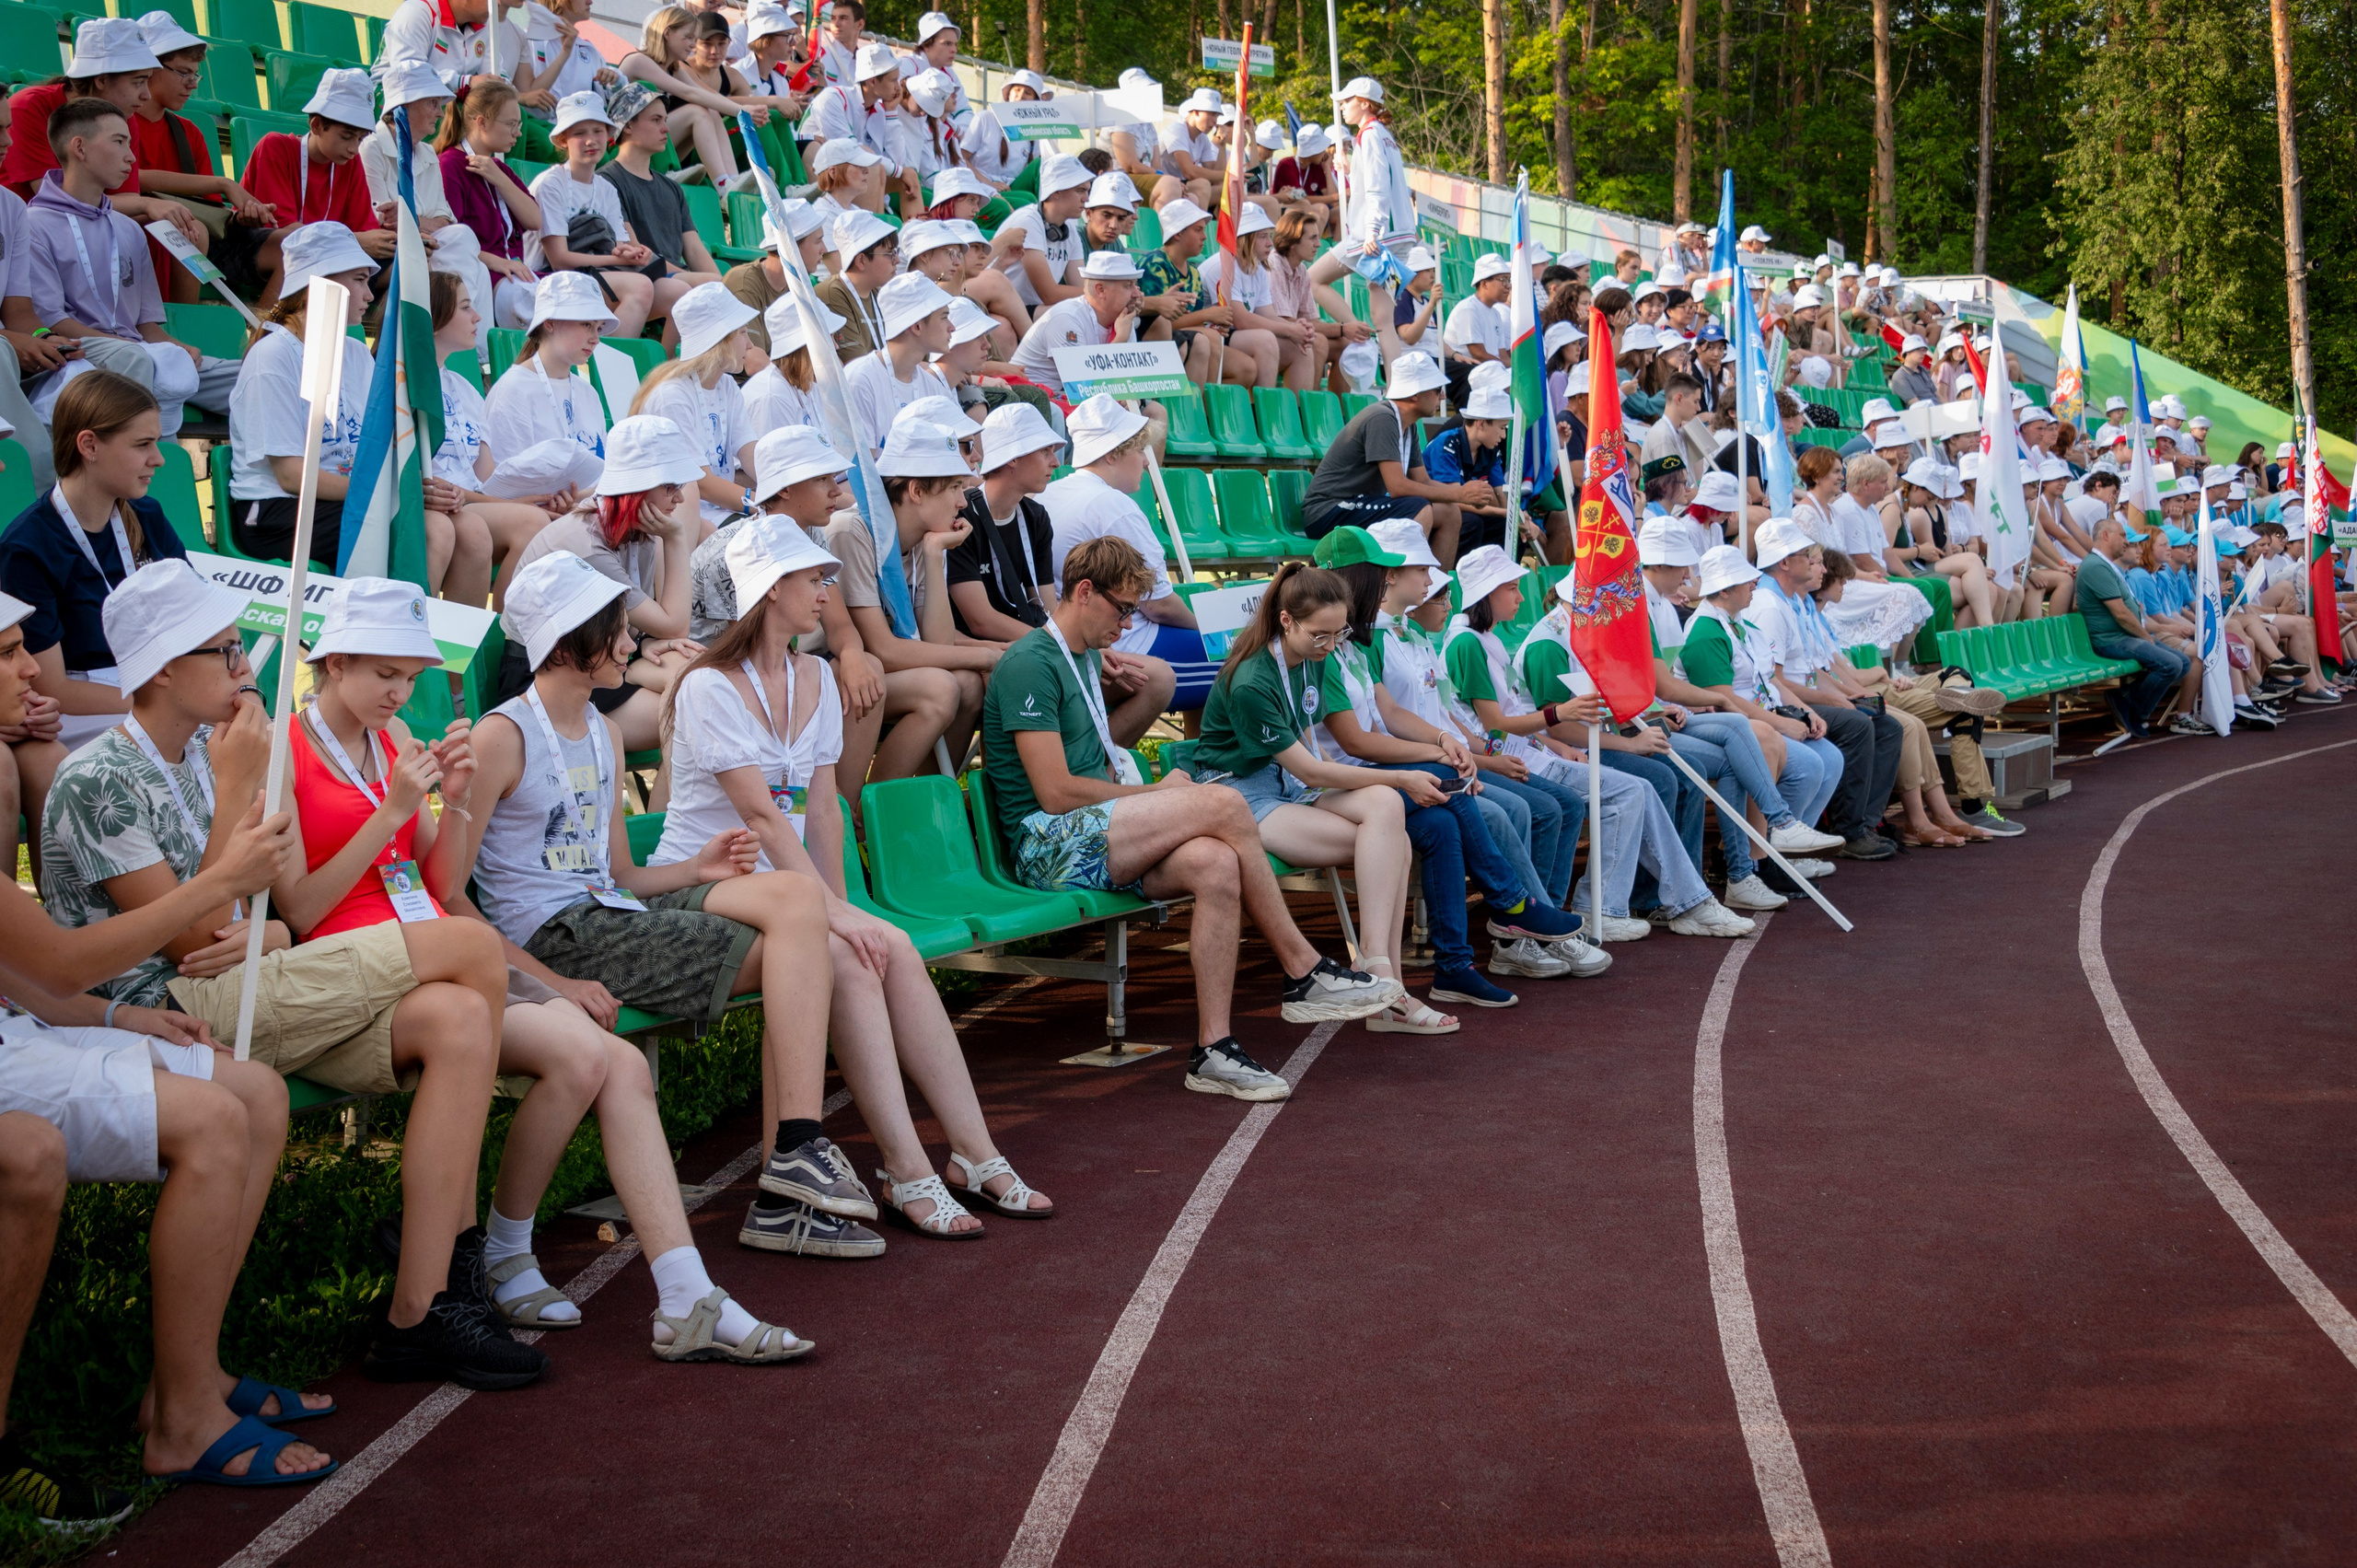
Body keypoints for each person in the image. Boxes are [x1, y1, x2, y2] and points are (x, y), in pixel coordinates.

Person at [41, 562, 540, 1389]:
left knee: (456, 1020)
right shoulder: (101, 778)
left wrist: (264, 927)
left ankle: (420, 1308)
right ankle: (457, 1267)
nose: (247, 670)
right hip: (163, 1009)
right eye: (228, 651)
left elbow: (267, 914)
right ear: (165, 667)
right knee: (476, 951)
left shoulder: (210, 753)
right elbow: (194, 941)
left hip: (241, 989)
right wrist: (254, 882)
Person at [455, 549, 877, 1257]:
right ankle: (796, 1152)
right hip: (554, 939)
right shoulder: (500, 735)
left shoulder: (604, 731)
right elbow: (450, 898)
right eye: (619, 630)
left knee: (805, 946)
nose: (632, 645)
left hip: (609, 918)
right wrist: (551, 985)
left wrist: (694, 866)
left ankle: (791, 1167)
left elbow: (617, 872)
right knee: (803, 926)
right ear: (567, 639)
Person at [653, 517, 1053, 1234]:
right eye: (813, 578)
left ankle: (975, 1152)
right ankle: (906, 1168)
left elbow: (822, 812)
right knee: (849, 943)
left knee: (885, 945)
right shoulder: (707, 686)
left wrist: (840, 904)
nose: (826, 589)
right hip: (702, 883)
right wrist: (834, 914)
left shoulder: (813, 673)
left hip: (786, 891)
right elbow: (763, 819)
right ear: (771, 591)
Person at [983, 534, 1395, 1097]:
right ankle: (1303, 970)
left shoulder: (1081, 654)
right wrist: (1157, 796)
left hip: (1095, 831)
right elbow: (1054, 793)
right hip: (1045, 844)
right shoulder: (1030, 662)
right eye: (1124, 608)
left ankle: (1213, 1051)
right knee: (1223, 801)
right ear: (1085, 591)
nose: (1128, 625)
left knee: (1215, 863)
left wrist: (1152, 793)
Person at [1308, 526, 1605, 1009]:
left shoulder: (1353, 644)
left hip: (1368, 776)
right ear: (1358, 580)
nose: (1387, 581)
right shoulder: (1327, 649)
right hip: (1344, 781)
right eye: (1381, 573)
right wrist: (1439, 755)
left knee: (1444, 824)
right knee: (1455, 790)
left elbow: (1391, 714)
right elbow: (1356, 740)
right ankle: (1513, 905)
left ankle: (1455, 967)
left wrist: (1444, 740)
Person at [1446, 546, 1755, 939]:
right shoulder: (1513, 643)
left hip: (1536, 751)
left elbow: (1529, 721)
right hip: (1521, 756)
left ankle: (1661, 901)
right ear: (1486, 594)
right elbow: (1502, 724)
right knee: (1632, 789)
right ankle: (1597, 910)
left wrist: (1590, 731)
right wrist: (1576, 729)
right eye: (1511, 589)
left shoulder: (1489, 639)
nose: (1521, 598)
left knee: (1648, 783)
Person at [1191, 561, 1432, 1010]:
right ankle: (1387, 984)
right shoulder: (1250, 679)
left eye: (1338, 633)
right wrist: (1401, 775)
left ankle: (1377, 966)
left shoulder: (1312, 656)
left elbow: (1306, 741)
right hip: (1239, 796)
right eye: (1319, 634)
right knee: (1392, 839)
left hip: (1285, 784)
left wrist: (1385, 785)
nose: (1329, 645)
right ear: (1287, 620)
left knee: (1383, 805)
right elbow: (1314, 772)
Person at [0, 370, 192, 776]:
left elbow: (195, 622)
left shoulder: (147, 517)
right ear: (89, 445)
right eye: (142, 445)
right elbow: (55, 688)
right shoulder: (29, 545)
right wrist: (173, 702)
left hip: (159, 690)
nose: (157, 458)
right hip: (87, 710)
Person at [25, 98, 235, 437]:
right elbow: (52, 321)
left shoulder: (128, 228)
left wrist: (173, 346)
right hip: (79, 353)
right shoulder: (35, 223)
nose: (131, 156)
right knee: (135, 360)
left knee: (256, 377)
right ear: (79, 147)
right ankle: (155, 470)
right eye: (119, 142)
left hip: (138, 352)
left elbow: (144, 324)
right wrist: (137, 348)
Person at [496, 416, 706, 750]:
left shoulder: (634, 528)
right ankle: (676, 806)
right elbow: (675, 624)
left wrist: (649, 641)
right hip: (549, 679)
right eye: (671, 486)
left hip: (606, 658)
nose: (679, 498)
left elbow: (665, 625)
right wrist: (677, 539)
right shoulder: (587, 543)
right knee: (691, 717)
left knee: (701, 682)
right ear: (637, 488)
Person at [826, 417, 997, 777]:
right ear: (916, 491)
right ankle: (868, 810)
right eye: (953, 487)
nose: (962, 502)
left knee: (966, 684)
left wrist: (935, 554)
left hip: (877, 671)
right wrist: (987, 655)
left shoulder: (928, 536)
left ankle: (922, 801)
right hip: (834, 669)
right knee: (942, 687)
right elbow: (884, 650)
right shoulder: (853, 531)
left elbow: (936, 642)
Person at [1039, 396, 1217, 714]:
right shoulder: (1114, 508)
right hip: (1124, 646)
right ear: (1111, 455)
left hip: (1083, 640)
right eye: (1139, 450)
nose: (1147, 462)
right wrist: (1208, 630)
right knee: (1246, 662)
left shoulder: (1053, 492)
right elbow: (1159, 606)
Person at [1746, 522, 1905, 861]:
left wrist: (1844, 695)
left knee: (1886, 726)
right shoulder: (1771, 605)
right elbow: (1773, 681)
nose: (1817, 563)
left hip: (1791, 698)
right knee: (1858, 725)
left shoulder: (1788, 602)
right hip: (1771, 706)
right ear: (1784, 563)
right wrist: (1829, 701)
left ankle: (1863, 824)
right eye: (1806, 556)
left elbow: (1812, 669)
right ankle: (1844, 829)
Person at [223, 224, 377, 565]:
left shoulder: (355, 352)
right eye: (359, 280)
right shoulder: (274, 355)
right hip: (273, 510)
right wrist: (381, 493)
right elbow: (291, 475)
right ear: (317, 286)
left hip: (337, 499)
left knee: (449, 527)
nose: (369, 295)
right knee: (405, 528)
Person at [424, 273, 564, 605]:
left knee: (540, 518)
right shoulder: (402, 385)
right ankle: (504, 636)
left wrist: (530, 497)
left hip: (470, 503)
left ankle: (497, 635)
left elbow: (487, 480)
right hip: (439, 503)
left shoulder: (465, 389)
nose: (477, 317)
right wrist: (516, 505)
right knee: (530, 520)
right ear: (433, 319)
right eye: (465, 308)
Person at [1298, 351, 1482, 562]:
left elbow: (1422, 481)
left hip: (1356, 504)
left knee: (1449, 513)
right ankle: (1403, 587)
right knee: (1417, 508)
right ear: (1415, 394)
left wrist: (1465, 493)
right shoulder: (1382, 418)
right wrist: (1460, 495)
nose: (1442, 396)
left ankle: (1436, 592)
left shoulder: (1408, 425)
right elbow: (1398, 488)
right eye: (1437, 389)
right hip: (1328, 510)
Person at [240, 68, 398, 300]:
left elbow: (364, 229)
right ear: (316, 126)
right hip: (261, 251)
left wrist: (396, 238)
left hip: (330, 258)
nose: (354, 148)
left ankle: (368, 338)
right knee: (302, 254)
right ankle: (267, 334)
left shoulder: (350, 164)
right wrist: (357, 240)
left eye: (361, 138)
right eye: (346, 137)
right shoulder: (275, 147)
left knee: (410, 269)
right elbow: (285, 232)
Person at [528, 91, 667, 340]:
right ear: (563, 140)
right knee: (641, 287)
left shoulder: (606, 188)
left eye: (598, 131)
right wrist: (624, 261)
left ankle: (663, 371)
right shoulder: (551, 184)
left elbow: (618, 247)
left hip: (593, 275)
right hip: (549, 281)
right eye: (580, 133)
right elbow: (559, 260)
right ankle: (607, 371)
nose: (591, 141)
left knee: (678, 291)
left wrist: (633, 253)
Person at [629, 281, 760, 527]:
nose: (750, 345)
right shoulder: (672, 396)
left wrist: (785, 490)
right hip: (683, 517)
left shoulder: (727, 385)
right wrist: (765, 503)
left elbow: (750, 450)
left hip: (721, 512)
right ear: (720, 340)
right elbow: (702, 485)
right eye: (743, 333)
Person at [435, 79, 543, 331]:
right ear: (481, 122)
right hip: (484, 276)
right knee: (536, 306)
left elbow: (535, 220)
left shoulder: (500, 169)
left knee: (572, 294)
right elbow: (451, 241)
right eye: (511, 124)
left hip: (514, 273)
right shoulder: (450, 165)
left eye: (519, 125)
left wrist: (499, 179)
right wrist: (499, 262)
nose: (518, 133)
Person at [2077, 512, 2192, 738]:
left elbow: (2129, 609)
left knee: (2183, 662)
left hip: (2123, 636)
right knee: (2170, 664)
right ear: (2107, 536)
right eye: (2123, 535)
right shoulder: (2096, 566)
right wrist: (2146, 636)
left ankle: (2126, 698)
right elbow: (2120, 613)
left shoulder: (2105, 565)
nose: (2127, 541)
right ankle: (2137, 713)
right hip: (2111, 639)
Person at [620, 6, 758, 187]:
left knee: (711, 112)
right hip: (625, 143)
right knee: (697, 112)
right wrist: (742, 110)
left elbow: (702, 93)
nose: (693, 45)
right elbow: (689, 93)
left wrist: (743, 111)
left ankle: (732, 179)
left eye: (694, 38)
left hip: (652, 138)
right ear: (667, 33)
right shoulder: (639, 61)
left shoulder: (674, 68)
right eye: (688, 37)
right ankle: (722, 184)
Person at [484, 270, 612, 463]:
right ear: (550, 323)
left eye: (599, 328)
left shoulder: (588, 393)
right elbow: (505, 479)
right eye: (586, 324)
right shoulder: (513, 390)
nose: (596, 339)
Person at [842, 271, 955, 459]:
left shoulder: (934, 387)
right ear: (917, 326)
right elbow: (862, 473)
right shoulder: (860, 379)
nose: (952, 326)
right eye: (944, 317)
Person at [813, 207, 899, 362]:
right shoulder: (832, 295)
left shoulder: (879, 293)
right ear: (861, 260)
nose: (897, 260)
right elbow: (857, 366)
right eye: (889, 254)